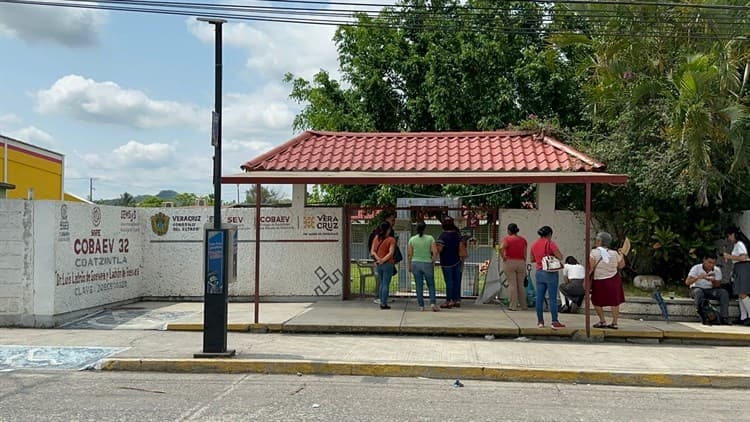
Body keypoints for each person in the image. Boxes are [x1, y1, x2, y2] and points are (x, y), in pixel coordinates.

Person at [529, 226, 565, 329]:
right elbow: (560, 256)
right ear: (549, 234)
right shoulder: (550, 243)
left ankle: (540, 321)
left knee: (539, 298)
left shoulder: (534, 244)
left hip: (539, 272)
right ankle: (554, 321)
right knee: (552, 298)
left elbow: (532, 259)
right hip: (550, 273)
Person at [589, 232, 626, 329]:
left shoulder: (594, 252)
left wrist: (587, 278)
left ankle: (602, 320)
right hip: (614, 279)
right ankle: (614, 322)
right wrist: (621, 255)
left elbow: (591, 268)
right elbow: (621, 265)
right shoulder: (614, 253)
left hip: (599, 279)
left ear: (600, 241)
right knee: (614, 302)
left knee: (596, 301)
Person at [685, 251, 729, 325]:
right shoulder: (696, 268)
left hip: (710, 290)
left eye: (713, 263)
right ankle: (703, 316)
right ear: (704, 260)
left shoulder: (717, 270)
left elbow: (717, 286)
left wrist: (713, 281)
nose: (711, 265)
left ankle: (724, 317)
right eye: (709, 262)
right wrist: (699, 277)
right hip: (696, 288)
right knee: (698, 292)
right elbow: (687, 282)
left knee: (724, 293)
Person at [408, 221, 439, 312]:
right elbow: (435, 251)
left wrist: (409, 265)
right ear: (425, 228)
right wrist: (432, 261)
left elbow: (410, 254)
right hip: (427, 263)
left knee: (419, 285)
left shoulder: (412, 239)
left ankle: (421, 305)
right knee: (431, 284)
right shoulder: (430, 238)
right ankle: (433, 303)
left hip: (415, 263)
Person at [498, 223, 528, 311]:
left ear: (509, 230)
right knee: (521, 285)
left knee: (512, 284)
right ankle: (524, 305)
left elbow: (501, 248)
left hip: (510, 262)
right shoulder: (523, 240)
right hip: (521, 262)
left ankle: (513, 305)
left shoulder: (507, 239)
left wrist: (503, 257)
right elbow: (525, 253)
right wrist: (523, 261)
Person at [723, 226, 750, 325]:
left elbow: (743, 257)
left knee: (743, 293)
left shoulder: (739, 244)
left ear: (733, 234)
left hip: (743, 267)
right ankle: (743, 316)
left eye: (729, 235)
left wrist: (728, 256)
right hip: (739, 267)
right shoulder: (738, 244)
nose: (729, 238)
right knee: (739, 293)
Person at [436, 216, 462, 309]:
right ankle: (457, 300)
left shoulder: (443, 236)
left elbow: (439, 249)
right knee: (457, 281)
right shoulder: (457, 235)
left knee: (449, 282)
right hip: (458, 260)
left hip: (446, 262)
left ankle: (449, 300)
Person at [370, 221, 396, 310]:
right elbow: (391, 253)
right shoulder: (391, 239)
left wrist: (378, 259)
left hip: (379, 264)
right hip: (388, 264)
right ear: (388, 230)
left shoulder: (376, 238)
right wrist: (383, 260)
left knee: (381, 283)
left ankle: (381, 300)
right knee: (386, 283)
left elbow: (372, 251)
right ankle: (384, 303)